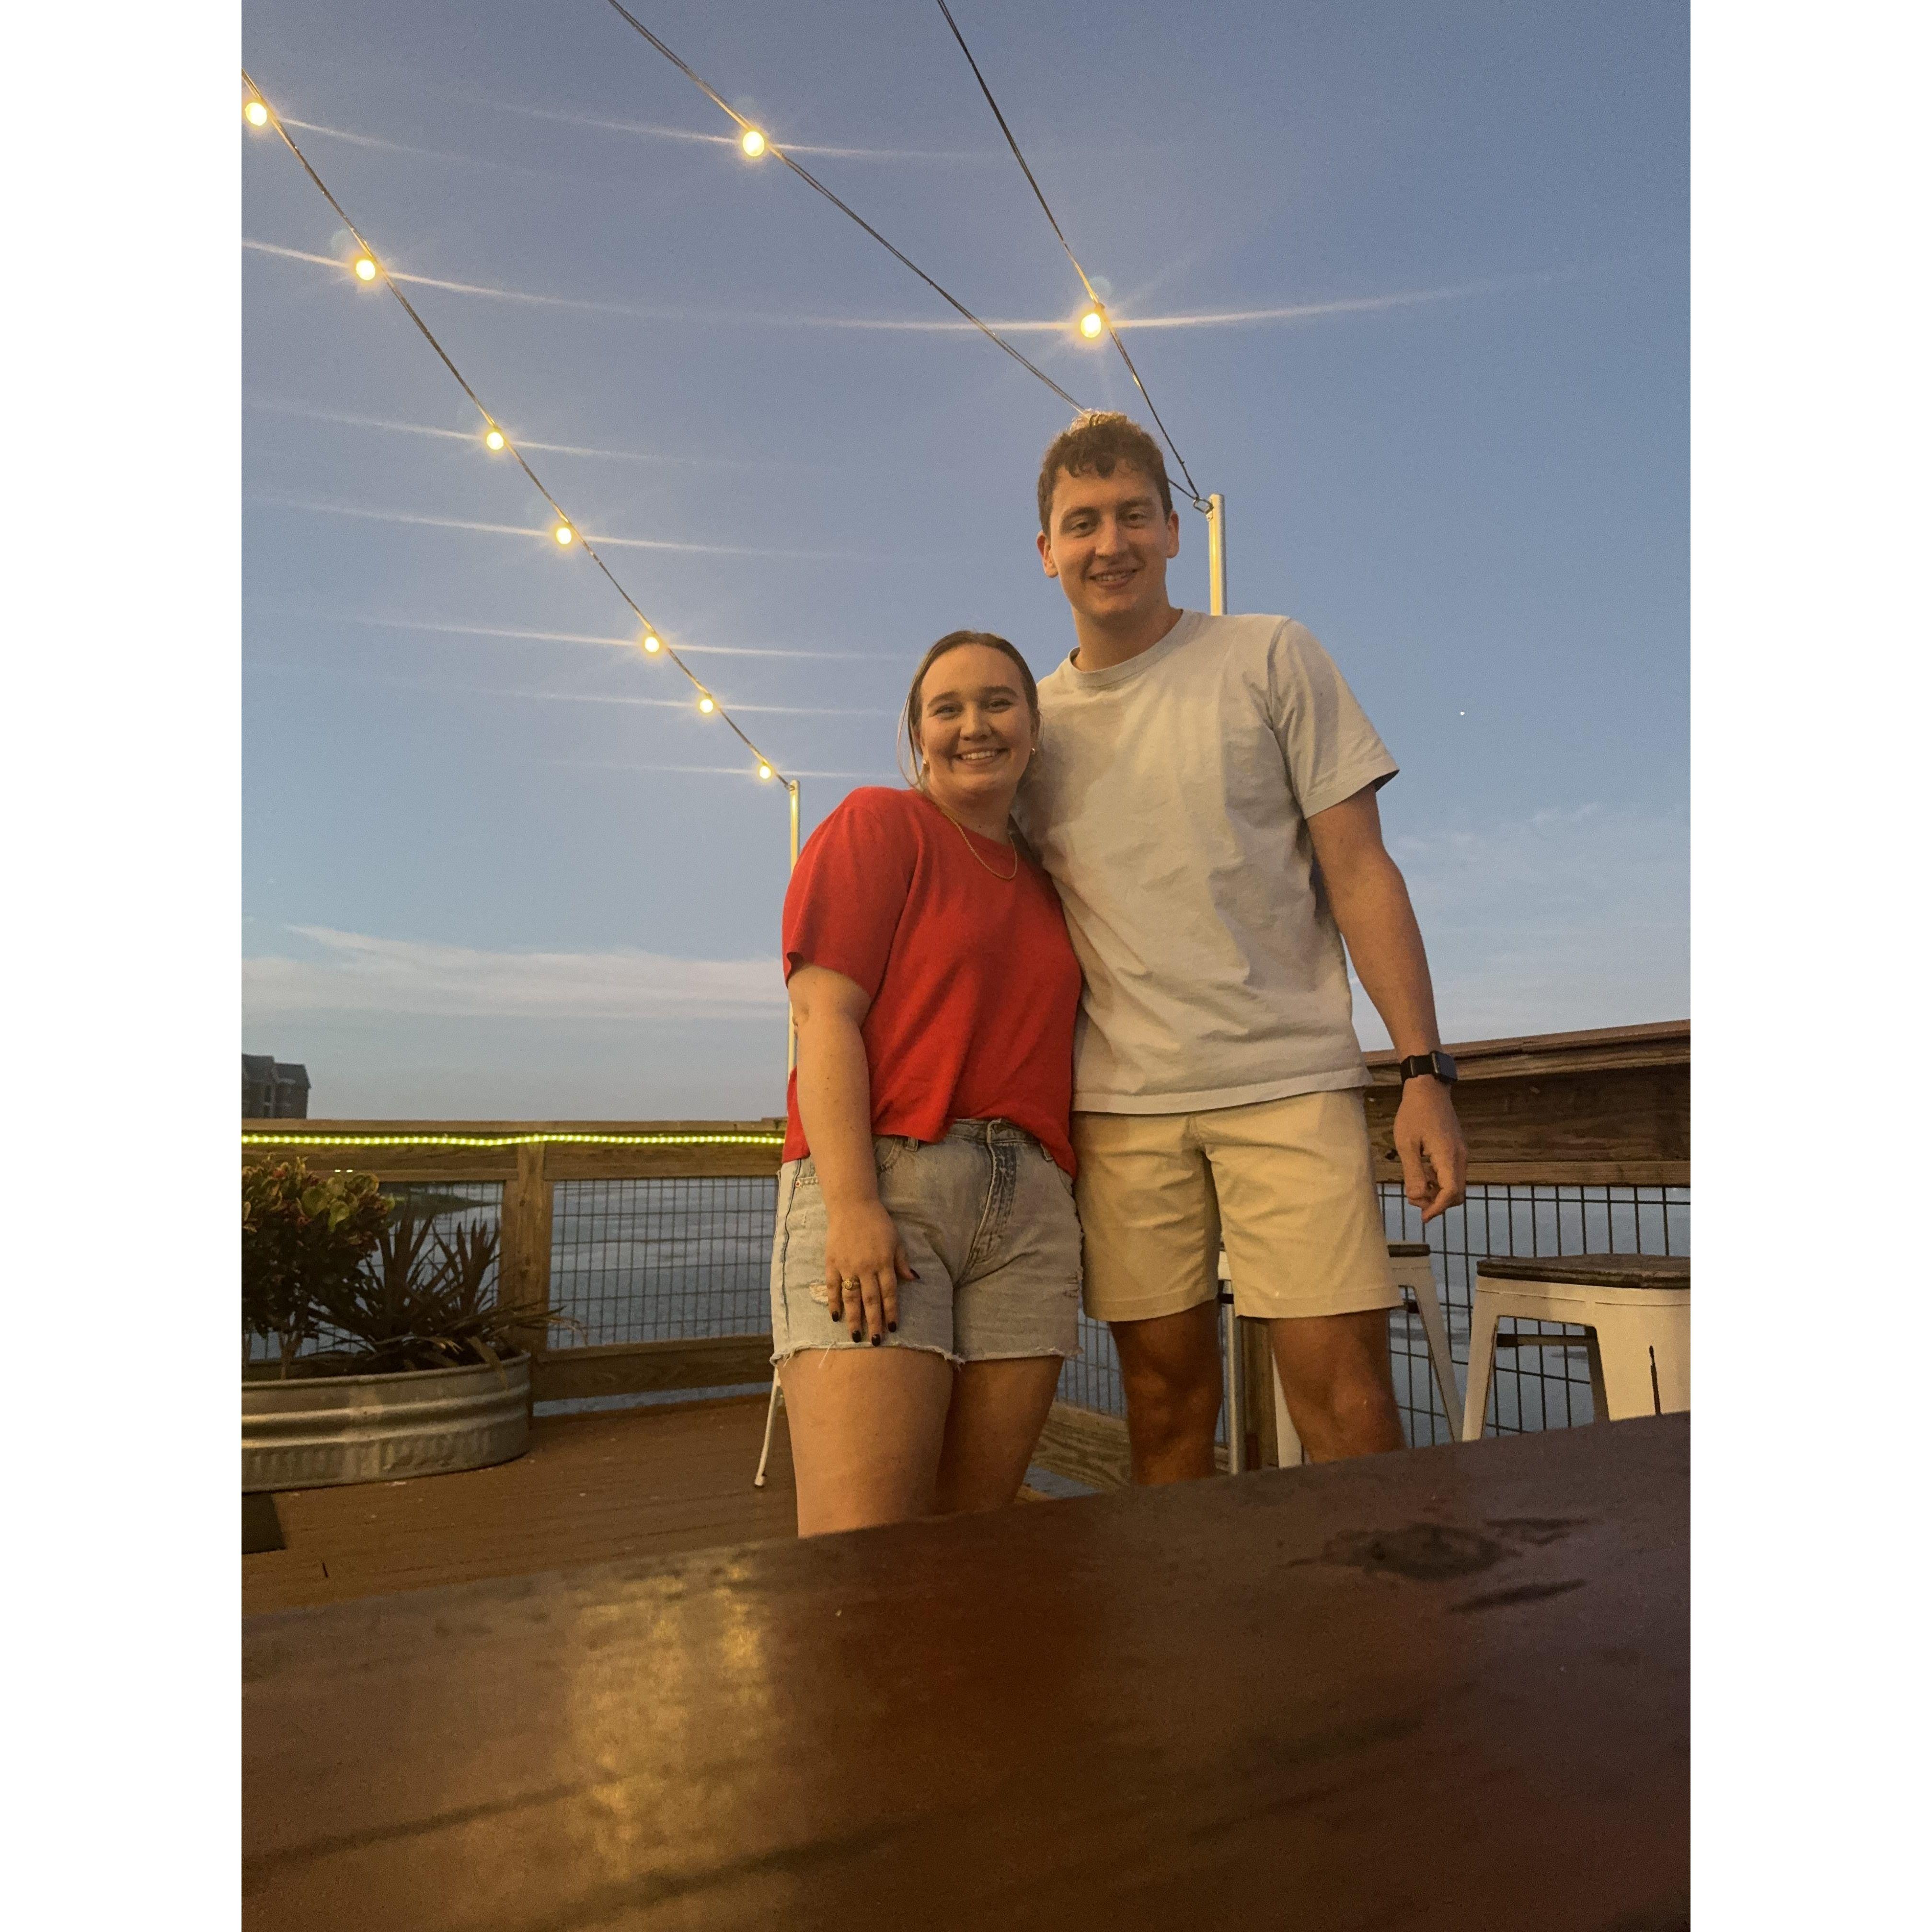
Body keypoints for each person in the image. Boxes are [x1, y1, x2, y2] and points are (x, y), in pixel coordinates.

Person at [1013, 412, 1470, 1483]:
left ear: (1175, 530)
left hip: (1290, 1085)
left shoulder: (1270, 654)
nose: (1110, 542)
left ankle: (1382, 1600)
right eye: (1083, 523)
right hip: (1119, 1109)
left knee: (1347, 1403)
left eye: (1133, 515)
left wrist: (1423, 1072)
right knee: (1165, 1412)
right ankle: (1192, 1604)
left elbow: (1362, 871)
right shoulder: (1029, 726)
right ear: (1046, 551)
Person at [770, 630, 1084, 1537]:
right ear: (919, 736)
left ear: (1033, 729)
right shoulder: (880, 825)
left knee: (970, 1539)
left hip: (1030, 1214)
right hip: (890, 1184)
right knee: (864, 1551)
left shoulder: (1050, 886)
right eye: (947, 709)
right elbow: (824, 1018)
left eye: (998, 703)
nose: (974, 725)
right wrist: (853, 1207)